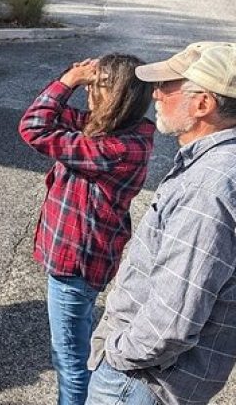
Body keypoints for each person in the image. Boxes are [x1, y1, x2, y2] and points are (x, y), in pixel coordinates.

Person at [86, 42, 236, 405]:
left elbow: (171, 322)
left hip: (141, 383)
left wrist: (117, 356)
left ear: (203, 104)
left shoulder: (208, 186)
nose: (156, 92)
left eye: (168, 85)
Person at [19, 54, 155, 405]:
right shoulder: (119, 129)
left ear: (113, 95)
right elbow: (51, 113)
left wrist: (68, 83)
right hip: (87, 256)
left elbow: (34, 127)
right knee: (75, 349)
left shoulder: (115, 147)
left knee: (70, 359)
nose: (87, 92)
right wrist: (69, 79)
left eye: (95, 86)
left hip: (77, 263)